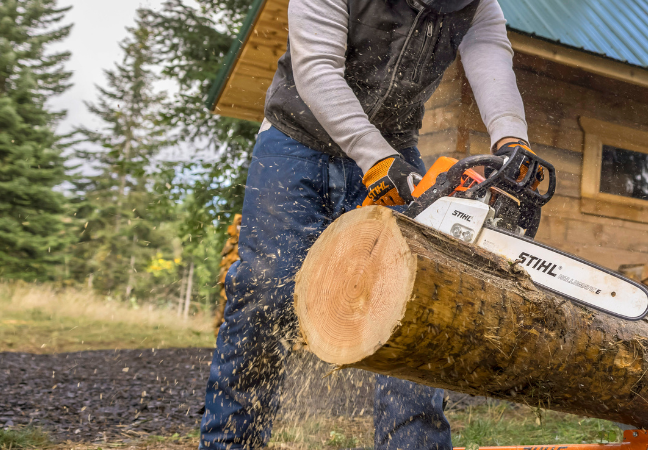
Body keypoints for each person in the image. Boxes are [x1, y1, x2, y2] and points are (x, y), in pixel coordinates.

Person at [199, 0, 529, 449]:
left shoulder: (476, 6)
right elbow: (316, 69)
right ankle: (231, 442)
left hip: (395, 146)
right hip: (296, 139)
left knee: (418, 297)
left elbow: (490, 55)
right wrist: (374, 157)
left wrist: (511, 138)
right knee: (266, 289)